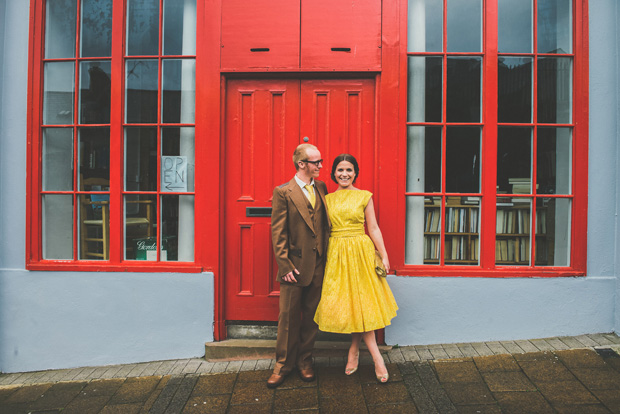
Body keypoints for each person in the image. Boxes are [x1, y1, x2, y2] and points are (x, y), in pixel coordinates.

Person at [314, 153, 398, 383]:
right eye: (340, 170)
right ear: (333, 173)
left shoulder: (364, 196)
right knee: (351, 304)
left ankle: (366, 355)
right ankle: (360, 352)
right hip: (337, 254)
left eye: (349, 170)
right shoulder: (327, 199)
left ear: (355, 173)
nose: (344, 174)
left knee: (361, 303)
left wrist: (384, 254)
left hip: (361, 252)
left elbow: (373, 227)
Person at [267, 143, 331, 388]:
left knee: (311, 318)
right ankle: (282, 366)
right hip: (293, 267)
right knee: (288, 319)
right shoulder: (283, 192)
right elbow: (278, 232)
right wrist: (284, 266)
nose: (321, 166)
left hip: (318, 265)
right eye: (316, 162)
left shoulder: (322, 187)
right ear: (302, 164)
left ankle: (305, 362)